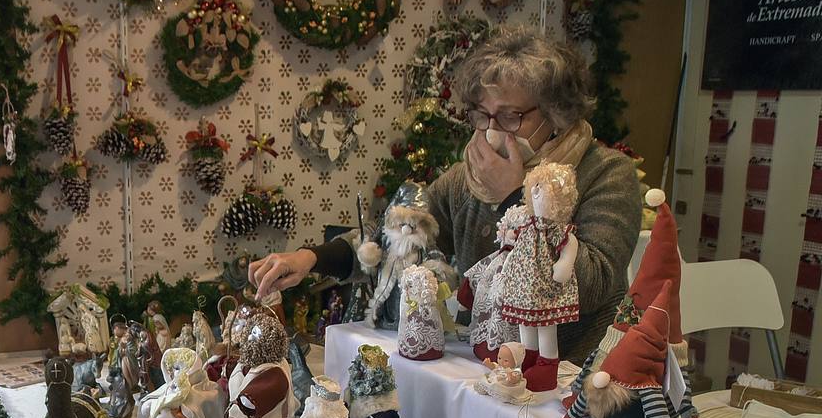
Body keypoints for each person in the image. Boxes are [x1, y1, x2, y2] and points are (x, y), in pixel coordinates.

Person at [248, 27, 641, 362]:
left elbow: (592, 285)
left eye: (509, 116)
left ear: (556, 114)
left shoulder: (605, 173)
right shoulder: (466, 180)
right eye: (483, 115)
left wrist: (513, 197)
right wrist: (310, 257)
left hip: (574, 377)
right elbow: (400, 238)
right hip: (489, 368)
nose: (491, 132)